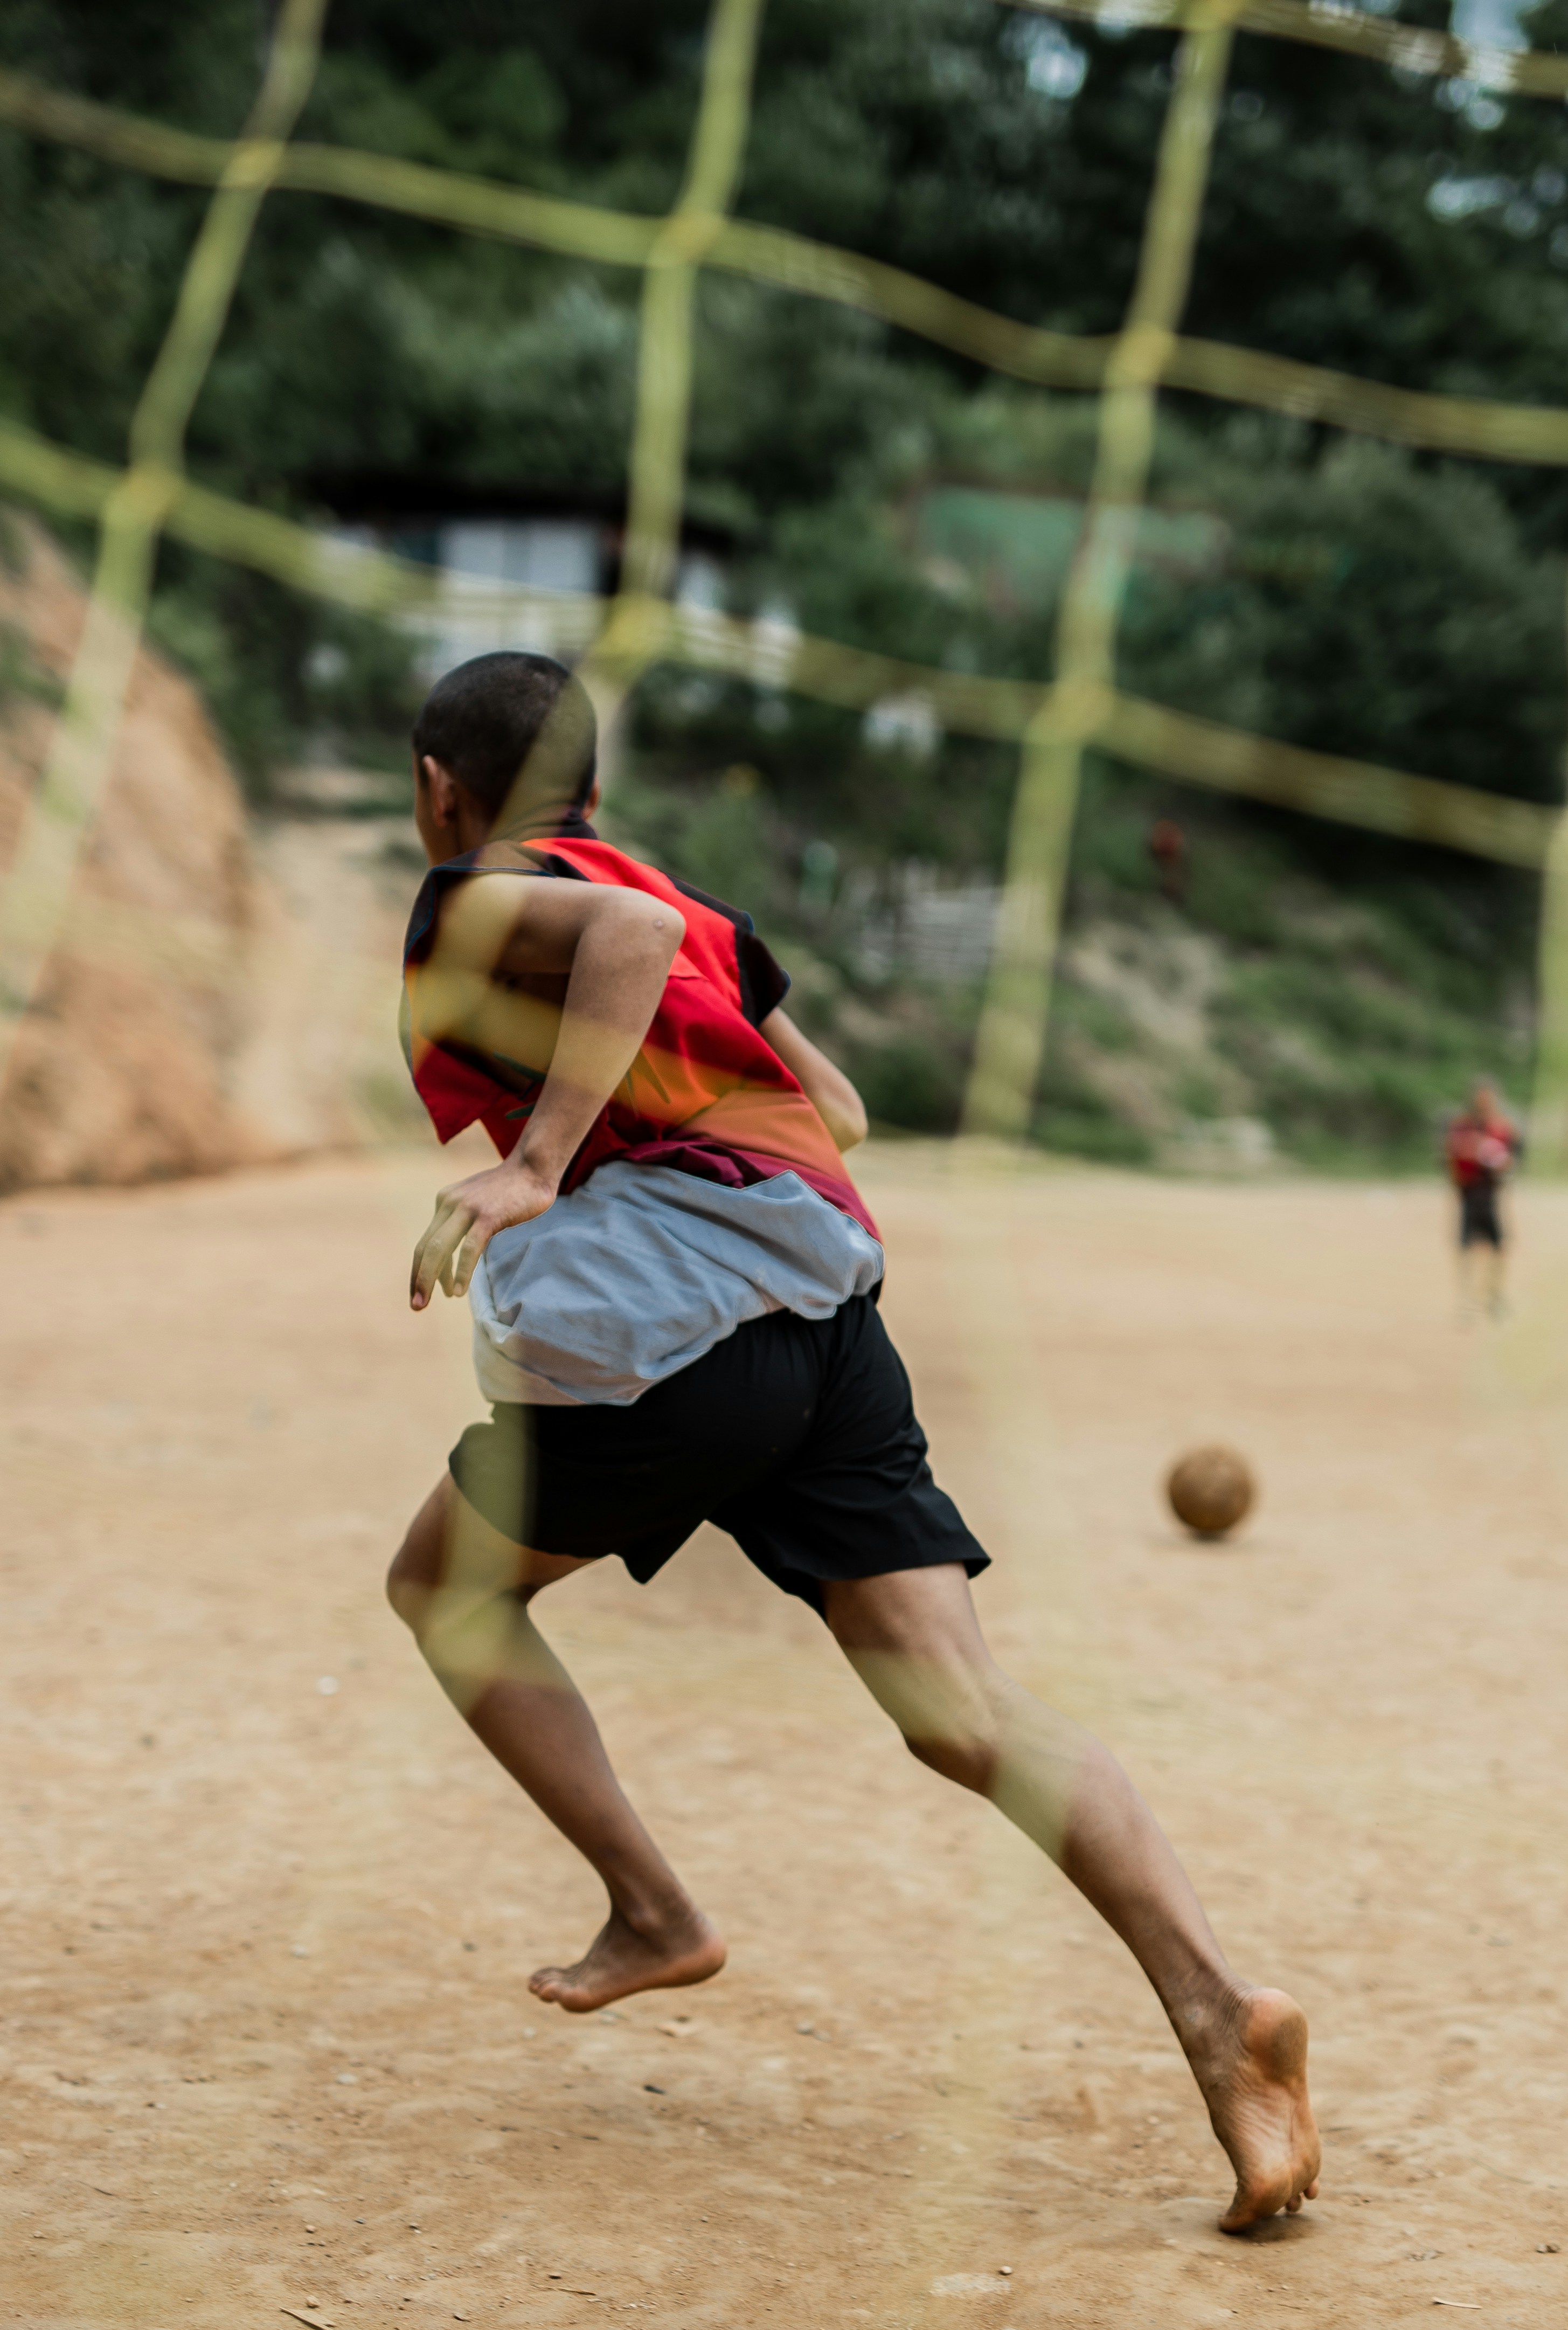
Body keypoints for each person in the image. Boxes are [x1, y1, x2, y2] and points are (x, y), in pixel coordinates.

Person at [385, 650, 1321, 2232]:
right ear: (592, 785)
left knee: (447, 1590)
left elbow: (624, 942)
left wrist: (544, 1158)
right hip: (826, 1323)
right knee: (961, 1710)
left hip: (686, 1338)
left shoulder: (476, 898)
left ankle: (654, 1904)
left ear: (438, 790)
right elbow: (833, 1092)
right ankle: (1224, 2013)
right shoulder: (668, 887)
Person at [1444, 1079, 1521, 1319]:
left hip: (1490, 1194)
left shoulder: (1503, 1128)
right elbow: (1451, 1158)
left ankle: (1493, 1296)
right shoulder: (1462, 1128)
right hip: (1470, 1194)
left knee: (1498, 1248)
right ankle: (1467, 1300)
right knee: (1466, 1248)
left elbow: (1512, 1161)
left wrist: (1499, 1162)